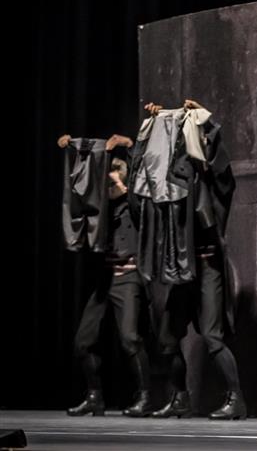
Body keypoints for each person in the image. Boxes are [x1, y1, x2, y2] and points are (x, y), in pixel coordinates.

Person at [132, 99, 246, 420]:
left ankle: (236, 399)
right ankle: (180, 397)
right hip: (182, 270)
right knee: (167, 337)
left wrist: (205, 124)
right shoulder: (168, 191)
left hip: (207, 266)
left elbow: (222, 171)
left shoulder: (207, 183)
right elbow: (142, 185)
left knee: (212, 337)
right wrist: (149, 134)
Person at [60, 133, 154, 417]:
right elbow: (81, 187)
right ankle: (94, 396)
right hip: (105, 281)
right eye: (107, 181)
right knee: (83, 342)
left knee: (130, 339)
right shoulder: (101, 209)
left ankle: (145, 397)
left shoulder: (135, 205)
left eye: (113, 182)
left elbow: (142, 177)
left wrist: (129, 147)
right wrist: (71, 151)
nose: (108, 186)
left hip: (128, 279)